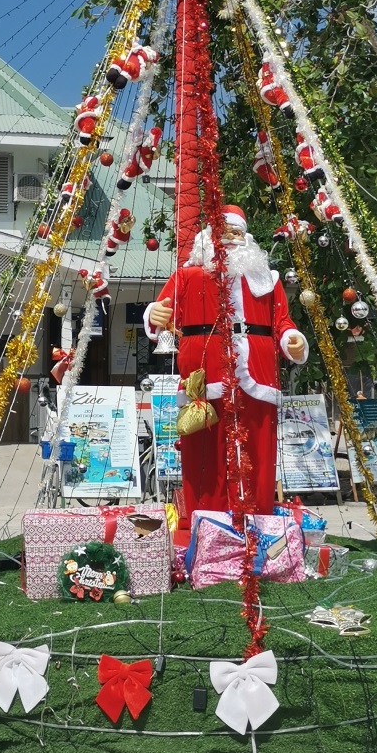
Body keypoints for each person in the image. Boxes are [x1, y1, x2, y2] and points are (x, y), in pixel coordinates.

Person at [144, 205, 309, 518]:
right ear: (209, 237)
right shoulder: (188, 276)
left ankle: (256, 518)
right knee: (206, 456)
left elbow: (282, 322)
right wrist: (154, 315)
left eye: (237, 233)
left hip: (258, 376)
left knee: (258, 452)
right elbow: (161, 310)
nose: (231, 239)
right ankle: (207, 521)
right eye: (224, 233)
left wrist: (292, 342)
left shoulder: (267, 280)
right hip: (205, 377)